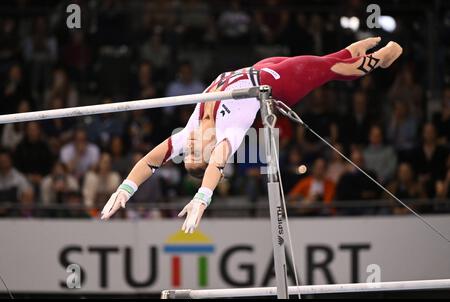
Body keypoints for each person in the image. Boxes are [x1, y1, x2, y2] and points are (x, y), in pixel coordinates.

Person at [101, 37, 403, 233]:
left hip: (257, 69)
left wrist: (125, 189)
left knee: (326, 63)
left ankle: (353, 52)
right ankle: (385, 58)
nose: (188, 147)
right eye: (194, 154)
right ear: (208, 152)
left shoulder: (189, 133)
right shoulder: (228, 134)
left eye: (186, 152)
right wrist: (201, 198)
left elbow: (151, 161)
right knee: (331, 68)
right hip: (281, 83)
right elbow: (217, 166)